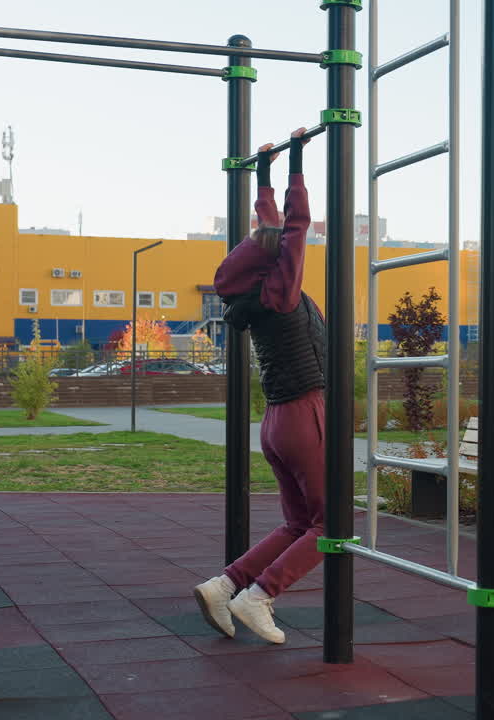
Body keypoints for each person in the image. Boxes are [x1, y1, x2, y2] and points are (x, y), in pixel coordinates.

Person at [193, 127, 324, 644]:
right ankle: (260, 595)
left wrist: (266, 171)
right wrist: (296, 166)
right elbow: (295, 229)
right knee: (331, 525)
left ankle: (224, 586)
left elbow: (270, 228)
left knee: (298, 524)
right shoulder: (281, 293)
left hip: (275, 422)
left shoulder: (249, 297)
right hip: (305, 413)